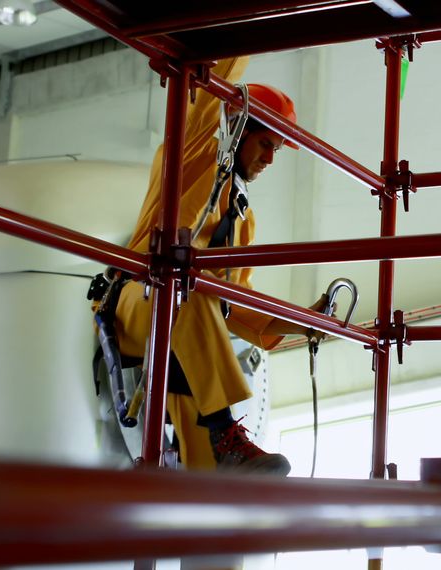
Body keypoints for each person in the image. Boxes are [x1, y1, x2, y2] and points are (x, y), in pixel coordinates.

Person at [110, 57, 309, 475]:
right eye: (266, 144)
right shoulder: (190, 161)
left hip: (186, 331)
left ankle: (216, 469)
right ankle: (225, 433)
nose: (270, 160)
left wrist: (301, 322)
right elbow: (211, 96)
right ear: (237, 131)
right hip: (139, 303)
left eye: (276, 149)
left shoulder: (242, 215)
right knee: (190, 295)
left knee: (206, 463)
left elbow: (235, 303)